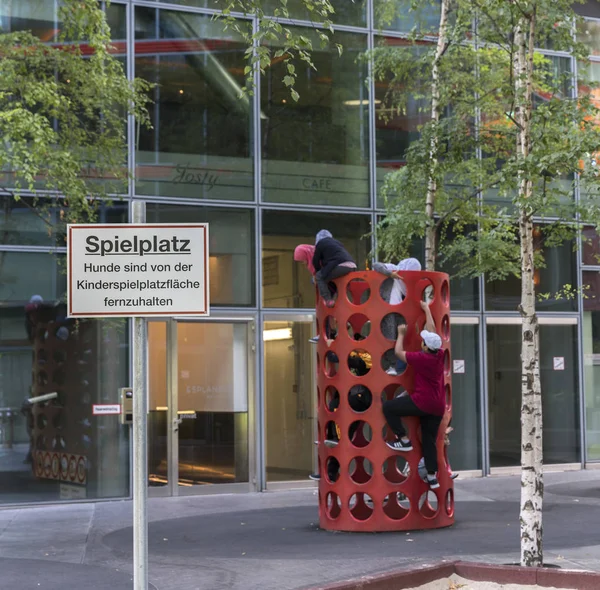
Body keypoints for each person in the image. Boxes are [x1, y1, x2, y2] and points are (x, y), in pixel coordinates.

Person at [382, 300, 445, 490]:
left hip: (422, 402)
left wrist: (401, 335)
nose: (422, 341)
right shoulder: (439, 355)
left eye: (423, 341)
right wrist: (426, 309)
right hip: (438, 406)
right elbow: (432, 330)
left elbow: (399, 353)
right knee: (429, 440)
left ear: (426, 347)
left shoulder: (421, 358)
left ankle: (403, 440)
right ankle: (432, 477)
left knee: (389, 407)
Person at [373, 258, 422, 376]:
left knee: (402, 339)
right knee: (389, 337)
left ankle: (398, 367)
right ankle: (390, 366)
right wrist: (391, 274)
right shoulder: (394, 269)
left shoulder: (410, 283)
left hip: (401, 311)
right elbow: (376, 265)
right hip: (387, 311)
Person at [312, 230, 356, 308]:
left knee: (319, 276)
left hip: (340, 265)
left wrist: (318, 272)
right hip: (351, 265)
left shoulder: (320, 244)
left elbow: (315, 261)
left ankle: (328, 300)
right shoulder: (337, 242)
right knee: (336, 280)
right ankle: (342, 301)